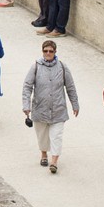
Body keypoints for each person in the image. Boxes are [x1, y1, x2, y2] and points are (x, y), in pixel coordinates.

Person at [22, 39, 79, 172]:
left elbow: (70, 87)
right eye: (45, 51)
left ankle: (54, 161)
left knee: (56, 136)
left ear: (55, 52)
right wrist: (26, 105)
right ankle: (43, 154)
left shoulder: (62, 67)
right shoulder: (35, 67)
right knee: (42, 135)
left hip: (58, 109)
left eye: (51, 51)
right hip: (40, 108)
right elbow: (27, 86)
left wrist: (75, 104)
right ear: (42, 51)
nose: (48, 53)